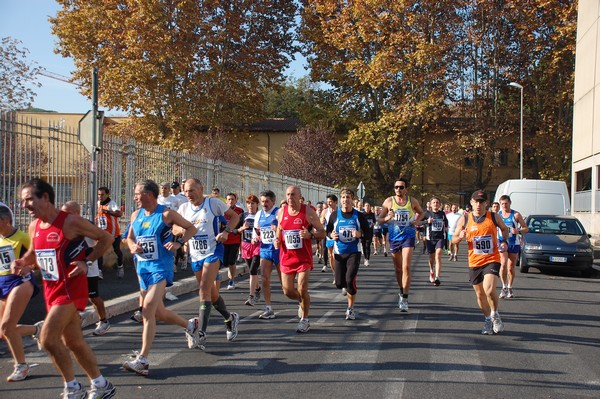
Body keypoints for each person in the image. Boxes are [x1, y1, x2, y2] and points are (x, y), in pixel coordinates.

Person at [11, 178, 116, 398]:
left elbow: (105, 237)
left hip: (70, 290)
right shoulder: (34, 225)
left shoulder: (70, 222)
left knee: (47, 339)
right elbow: (34, 254)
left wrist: (86, 261)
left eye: (29, 199)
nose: (24, 205)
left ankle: (73, 388)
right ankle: (101, 384)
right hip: (52, 291)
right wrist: (23, 262)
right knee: (74, 342)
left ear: (46, 197)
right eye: (22, 201)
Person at [123, 179, 201, 376]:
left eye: (138, 193)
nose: (135, 197)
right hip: (143, 268)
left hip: (161, 267)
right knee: (159, 313)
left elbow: (191, 228)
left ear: (149, 194)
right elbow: (128, 237)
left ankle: (143, 360)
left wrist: (179, 243)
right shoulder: (136, 214)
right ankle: (190, 325)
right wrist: (132, 246)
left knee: (147, 309)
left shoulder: (166, 214)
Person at [178, 178, 240, 349]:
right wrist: (181, 236)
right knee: (211, 295)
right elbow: (177, 227)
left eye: (192, 190)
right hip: (196, 254)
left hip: (214, 251)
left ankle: (201, 333)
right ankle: (230, 318)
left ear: (201, 189)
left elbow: (235, 217)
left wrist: (226, 231)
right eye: (186, 191)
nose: (188, 194)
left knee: (204, 289)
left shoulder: (213, 203)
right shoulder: (183, 208)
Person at [451, 190, 508, 335]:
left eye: (481, 202)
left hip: (492, 259)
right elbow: (453, 240)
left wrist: (504, 242)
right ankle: (488, 319)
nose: (478, 204)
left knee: (489, 290)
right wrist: (460, 237)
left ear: (486, 203)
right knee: (480, 295)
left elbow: (504, 229)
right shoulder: (465, 219)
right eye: (476, 201)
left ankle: (495, 314)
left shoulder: (494, 217)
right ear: (471, 202)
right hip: (474, 261)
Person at [273, 185, 326, 333]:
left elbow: (322, 232)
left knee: (302, 288)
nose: (290, 198)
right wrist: (277, 240)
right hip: (287, 257)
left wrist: (311, 236)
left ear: (299, 196)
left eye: (293, 195)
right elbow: (280, 228)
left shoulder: (308, 212)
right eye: (288, 195)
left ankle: (305, 319)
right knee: (288, 291)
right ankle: (301, 302)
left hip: (303, 258)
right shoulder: (281, 212)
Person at [0, 204, 41, 382]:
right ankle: (38, 329)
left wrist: (29, 267)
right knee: (3, 332)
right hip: (2, 283)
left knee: (7, 327)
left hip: (20, 282)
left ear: (6, 220)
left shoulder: (23, 237)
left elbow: (40, 258)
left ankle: (21, 366)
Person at [62, 201, 111, 336]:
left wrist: (88, 257)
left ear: (77, 213)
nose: (64, 216)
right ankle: (75, 319)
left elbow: (102, 241)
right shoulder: (63, 225)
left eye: (67, 213)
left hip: (89, 265)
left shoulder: (87, 225)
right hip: (72, 267)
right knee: (70, 295)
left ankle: (104, 321)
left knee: (93, 296)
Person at [378, 178, 425, 312]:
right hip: (394, 237)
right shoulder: (388, 201)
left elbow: (421, 213)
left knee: (406, 267)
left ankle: (405, 297)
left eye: (401, 187)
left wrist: (416, 221)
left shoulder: (412, 201)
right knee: (398, 269)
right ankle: (401, 290)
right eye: (396, 187)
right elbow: (380, 220)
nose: (398, 189)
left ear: (406, 189)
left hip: (408, 237)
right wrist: (388, 217)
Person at [326, 188, 369, 320]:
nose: (345, 200)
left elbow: (368, 233)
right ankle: (345, 286)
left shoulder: (358, 215)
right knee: (339, 283)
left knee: (350, 280)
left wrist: (360, 234)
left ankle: (350, 308)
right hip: (339, 252)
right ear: (340, 200)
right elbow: (328, 231)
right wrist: (331, 235)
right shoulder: (334, 215)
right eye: (343, 197)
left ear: (353, 200)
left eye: (348, 197)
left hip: (353, 252)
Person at [254, 190, 280, 319]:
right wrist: (255, 238)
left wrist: (279, 231)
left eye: (267, 201)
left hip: (279, 250)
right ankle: (268, 308)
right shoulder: (259, 214)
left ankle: (300, 303)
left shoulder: (279, 212)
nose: (264, 204)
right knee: (264, 278)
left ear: (273, 201)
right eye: (262, 201)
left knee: (285, 284)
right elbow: (257, 231)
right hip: (265, 249)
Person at [497, 195, 528, 299]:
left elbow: (526, 228)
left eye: (506, 203)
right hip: (502, 242)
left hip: (514, 243)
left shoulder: (516, 215)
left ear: (510, 203)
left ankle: (510, 287)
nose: (504, 205)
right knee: (503, 264)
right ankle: (503, 286)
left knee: (510, 268)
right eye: (502, 204)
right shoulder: (498, 215)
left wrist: (518, 231)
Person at [96, 186, 124, 279]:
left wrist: (107, 211)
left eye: (102, 194)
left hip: (113, 233)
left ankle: (120, 266)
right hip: (102, 233)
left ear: (107, 194)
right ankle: (99, 271)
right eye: (99, 194)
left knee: (117, 251)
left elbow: (119, 213)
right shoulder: (98, 203)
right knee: (99, 251)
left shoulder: (112, 204)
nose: (100, 196)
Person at [239, 195, 261, 306]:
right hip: (246, 246)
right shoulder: (243, 215)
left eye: (253, 203)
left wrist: (258, 236)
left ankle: (251, 296)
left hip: (257, 246)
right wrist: (242, 228)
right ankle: (257, 289)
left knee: (253, 270)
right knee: (252, 271)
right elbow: (235, 230)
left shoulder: (260, 215)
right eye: (249, 203)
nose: (250, 205)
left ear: (257, 205)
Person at [422, 197, 448, 286]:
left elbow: (446, 222)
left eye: (437, 202)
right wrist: (427, 221)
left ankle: (437, 277)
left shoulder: (442, 213)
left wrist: (446, 228)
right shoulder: (427, 213)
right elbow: (418, 222)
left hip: (440, 238)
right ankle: (431, 271)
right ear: (431, 204)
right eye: (434, 202)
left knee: (438, 256)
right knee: (431, 258)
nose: (436, 204)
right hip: (430, 239)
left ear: (440, 204)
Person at [222, 193, 244, 290]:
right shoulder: (222, 211)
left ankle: (231, 280)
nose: (230, 201)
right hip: (224, 240)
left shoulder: (239, 211)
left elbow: (242, 225)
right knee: (225, 262)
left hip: (235, 239)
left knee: (231, 261)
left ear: (236, 200)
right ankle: (230, 275)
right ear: (226, 201)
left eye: (232, 199)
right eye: (229, 199)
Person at [320, 194, 338, 276]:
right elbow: (320, 222)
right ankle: (334, 272)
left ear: (335, 202)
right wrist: (322, 221)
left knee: (335, 255)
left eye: (330, 201)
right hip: (328, 235)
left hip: (337, 236)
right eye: (328, 202)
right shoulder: (325, 211)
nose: (329, 203)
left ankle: (338, 272)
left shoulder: (340, 211)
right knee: (330, 255)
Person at [361, 202, 376, 267]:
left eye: (368, 206)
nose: (367, 207)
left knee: (368, 245)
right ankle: (365, 257)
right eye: (366, 206)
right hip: (363, 232)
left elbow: (374, 221)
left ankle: (367, 259)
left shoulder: (372, 214)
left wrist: (373, 224)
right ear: (364, 207)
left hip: (370, 232)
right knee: (364, 246)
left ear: (370, 207)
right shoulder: (362, 214)